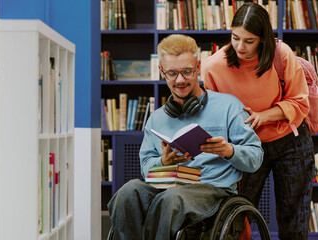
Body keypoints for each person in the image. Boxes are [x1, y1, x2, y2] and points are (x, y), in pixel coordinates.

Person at [107, 34, 264, 239]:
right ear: (161, 71)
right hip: (168, 188)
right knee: (128, 193)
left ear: (198, 67)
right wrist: (163, 161)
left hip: (214, 192)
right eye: (172, 73)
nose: (180, 80)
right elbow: (146, 167)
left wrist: (229, 150)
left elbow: (256, 158)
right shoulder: (156, 119)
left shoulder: (229, 106)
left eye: (187, 72)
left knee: (171, 200)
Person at [200, 2, 315, 239]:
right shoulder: (213, 67)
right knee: (235, 215)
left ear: (263, 38)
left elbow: (300, 103)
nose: (240, 46)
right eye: (235, 37)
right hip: (246, 146)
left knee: (294, 217)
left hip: (289, 142)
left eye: (249, 41)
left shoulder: (281, 55)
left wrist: (264, 115)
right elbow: (214, 113)